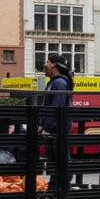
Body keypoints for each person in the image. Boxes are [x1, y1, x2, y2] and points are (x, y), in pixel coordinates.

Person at [41, 53, 74, 190]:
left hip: (57, 129)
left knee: (60, 158)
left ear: (54, 65)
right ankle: (57, 185)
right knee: (54, 159)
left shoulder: (59, 83)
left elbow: (57, 107)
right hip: (53, 128)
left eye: (47, 62)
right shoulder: (54, 83)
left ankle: (64, 184)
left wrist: (47, 126)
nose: (45, 65)